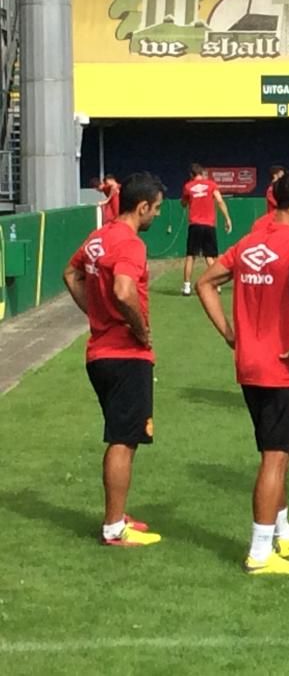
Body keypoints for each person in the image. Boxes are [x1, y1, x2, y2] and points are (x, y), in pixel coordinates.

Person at [196, 170, 289, 575]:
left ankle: (281, 533)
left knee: (280, 452)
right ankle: (258, 552)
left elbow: (205, 283)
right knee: (275, 457)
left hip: (250, 364)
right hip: (282, 365)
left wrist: (230, 335)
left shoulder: (250, 242)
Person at [63, 171, 165, 547]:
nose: (156, 216)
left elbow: (70, 273)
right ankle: (113, 528)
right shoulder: (129, 243)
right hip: (125, 354)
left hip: (99, 353)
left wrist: (94, 314)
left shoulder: (98, 237)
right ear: (142, 207)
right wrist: (139, 330)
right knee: (123, 440)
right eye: (155, 209)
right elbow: (124, 291)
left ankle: (118, 516)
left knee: (123, 436)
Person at [181, 163, 233, 296]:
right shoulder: (211, 185)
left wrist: (187, 201)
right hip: (209, 226)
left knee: (190, 256)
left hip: (195, 225)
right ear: (202, 173)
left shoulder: (188, 186)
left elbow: (183, 203)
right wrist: (227, 218)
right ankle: (217, 285)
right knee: (210, 257)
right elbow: (220, 201)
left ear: (191, 175)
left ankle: (187, 287)